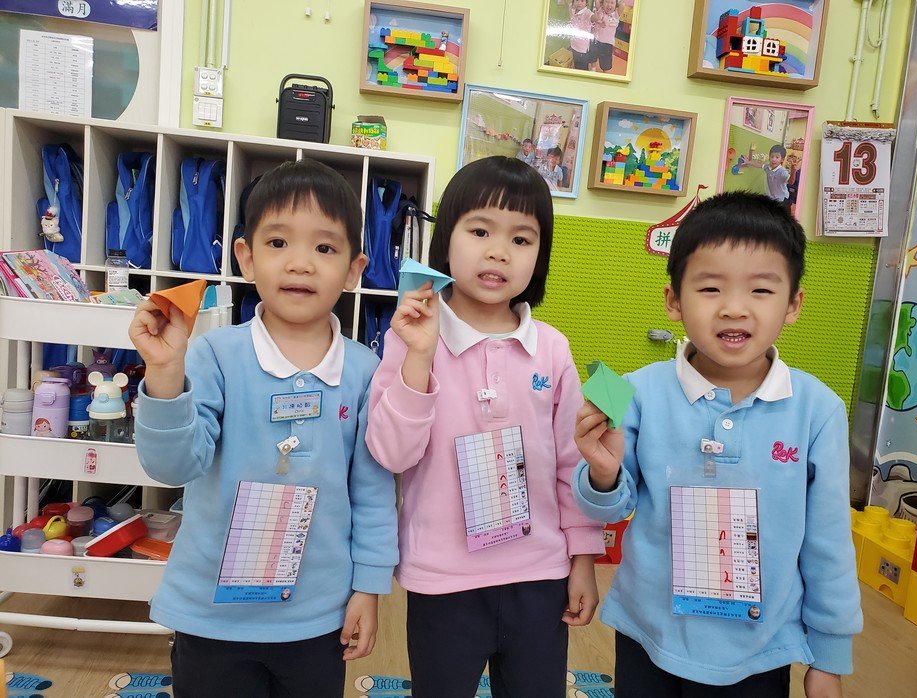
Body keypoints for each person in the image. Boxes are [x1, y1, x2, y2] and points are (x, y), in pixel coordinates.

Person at [572, 191, 862, 698]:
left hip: (760, 647)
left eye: (761, 290)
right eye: (710, 288)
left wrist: (829, 656)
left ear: (794, 305)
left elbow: (829, 543)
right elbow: (608, 507)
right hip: (648, 634)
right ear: (673, 300)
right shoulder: (630, 389)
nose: (733, 309)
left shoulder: (819, 409)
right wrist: (601, 473)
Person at [130, 159, 399, 698]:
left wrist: (368, 586)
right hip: (211, 613)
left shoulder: (365, 370)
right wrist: (164, 373)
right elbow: (172, 466)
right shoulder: (213, 355)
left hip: (317, 616)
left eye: (324, 248)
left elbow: (372, 490)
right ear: (247, 258)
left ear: (354, 270)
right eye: (278, 243)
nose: (300, 263)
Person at [366, 156, 604, 698]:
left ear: (539, 256)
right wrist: (419, 358)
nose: (499, 252)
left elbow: (572, 463)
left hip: (539, 573)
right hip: (443, 579)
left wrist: (584, 558)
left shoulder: (552, 348)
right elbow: (391, 454)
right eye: (479, 232)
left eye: (521, 239)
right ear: (445, 240)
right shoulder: (412, 337)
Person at [741, 144, 792, 214]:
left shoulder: (782, 172)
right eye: (772, 156)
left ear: (782, 160)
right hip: (772, 198)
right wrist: (748, 162)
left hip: (782, 200)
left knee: (783, 216)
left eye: (777, 157)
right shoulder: (768, 167)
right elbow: (759, 165)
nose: (773, 159)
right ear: (769, 157)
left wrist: (794, 170)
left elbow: (791, 182)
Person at [591, 0, 620, 73]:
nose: (609, 5)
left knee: (606, 62)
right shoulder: (600, 10)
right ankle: (593, 69)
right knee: (593, 56)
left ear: (616, 5)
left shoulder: (616, 14)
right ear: (602, 3)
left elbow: (622, 4)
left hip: (607, 44)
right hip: (596, 40)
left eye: (612, 3)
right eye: (606, 1)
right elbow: (597, 1)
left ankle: (605, 73)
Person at [568, 0, 595, 70]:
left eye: (582, 1)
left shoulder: (587, 13)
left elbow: (592, 17)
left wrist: (597, 18)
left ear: (586, 3)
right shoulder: (572, 8)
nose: (579, 3)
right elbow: (568, 2)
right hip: (573, 45)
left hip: (582, 49)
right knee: (576, 63)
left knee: (582, 68)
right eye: (577, 0)